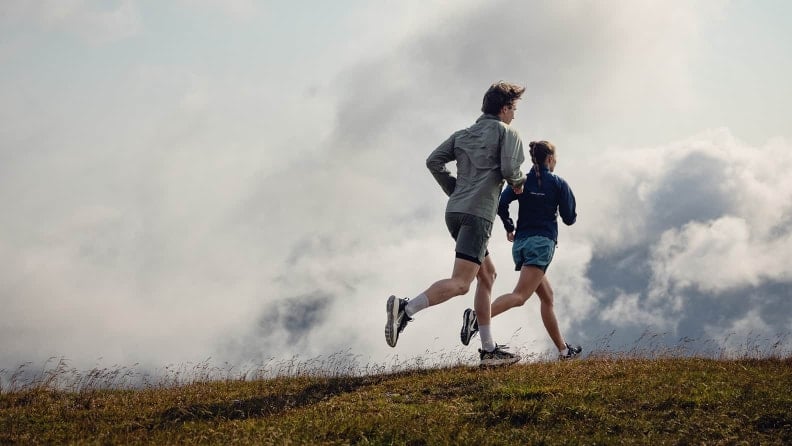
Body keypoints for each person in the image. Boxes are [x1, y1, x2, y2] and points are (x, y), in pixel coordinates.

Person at [385, 81, 527, 367]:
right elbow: (511, 170)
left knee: (487, 276)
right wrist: (519, 184)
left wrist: (455, 188)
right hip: (478, 214)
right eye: (513, 109)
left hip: (455, 212)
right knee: (462, 283)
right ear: (504, 108)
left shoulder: (463, 134)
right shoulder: (507, 132)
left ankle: (488, 350)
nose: (515, 115)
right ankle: (406, 309)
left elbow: (433, 161)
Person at [460, 140, 583, 360]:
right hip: (542, 245)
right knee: (520, 297)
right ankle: (477, 319)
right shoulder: (557, 183)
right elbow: (569, 218)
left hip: (521, 245)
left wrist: (509, 227)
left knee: (547, 297)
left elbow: (500, 204)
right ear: (550, 159)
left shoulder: (522, 181)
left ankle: (564, 350)